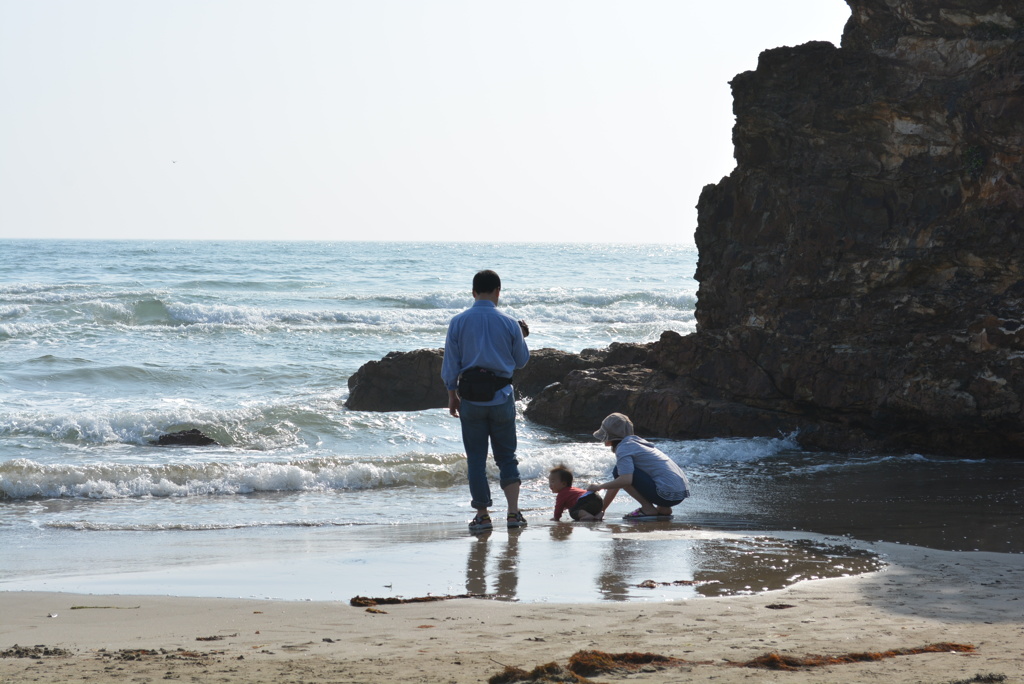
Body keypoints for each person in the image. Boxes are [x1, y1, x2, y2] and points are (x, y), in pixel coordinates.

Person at [441, 269, 530, 532]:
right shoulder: (510, 322)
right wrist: (521, 336)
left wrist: (451, 395)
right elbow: (521, 361)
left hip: (470, 398)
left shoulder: (458, 321)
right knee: (507, 457)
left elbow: (450, 364)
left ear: (473, 292)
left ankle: (482, 515)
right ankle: (513, 514)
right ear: (498, 292)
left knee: (476, 459)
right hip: (501, 396)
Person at [586, 413, 690, 519]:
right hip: (679, 495)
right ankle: (664, 508)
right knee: (625, 472)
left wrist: (599, 487)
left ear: (610, 435)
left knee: (618, 471)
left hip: (666, 495)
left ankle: (647, 508)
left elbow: (625, 480)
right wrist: (602, 510)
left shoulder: (624, 448)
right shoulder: (638, 443)